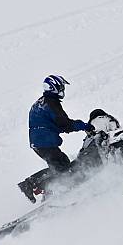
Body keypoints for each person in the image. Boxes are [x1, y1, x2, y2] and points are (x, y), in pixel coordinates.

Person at [18, 75, 94, 203]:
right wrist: (84, 125)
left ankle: (48, 190)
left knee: (61, 164)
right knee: (63, 169)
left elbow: (53, 124)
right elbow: (65, 124)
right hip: (45, 142)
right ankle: (31, 184)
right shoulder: (51, 103)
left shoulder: (41, 102)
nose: (62, 89)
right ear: (53, 87)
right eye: (61, 87)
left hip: (39, 142)